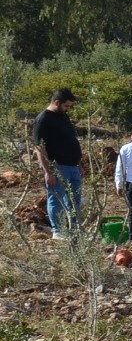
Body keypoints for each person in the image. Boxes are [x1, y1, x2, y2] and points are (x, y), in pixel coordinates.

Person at [32, 88, 83, 239]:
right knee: (57, 199)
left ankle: (74, 231)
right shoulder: (43, 119)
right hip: (57, 167)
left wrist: (78, 163)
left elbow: (70, 140)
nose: (68, 109)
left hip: (73, 166)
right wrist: (48, 171)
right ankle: (59, 231)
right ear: (57, 102)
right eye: (66, 106)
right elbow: (40, 148)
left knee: (75, 200)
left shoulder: (63, 117)